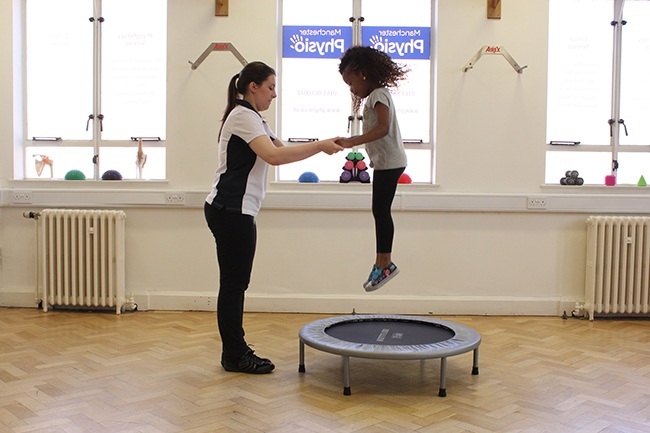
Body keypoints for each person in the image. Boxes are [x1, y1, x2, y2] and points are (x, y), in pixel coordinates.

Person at [204, 61, 343, 374]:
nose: (274, 94)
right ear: (253, 86)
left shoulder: (254, 118)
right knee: (234, 285)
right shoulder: (243, 116)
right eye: (271, 87)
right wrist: (320, 146)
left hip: (236, 209)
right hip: (230, 209)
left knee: (236, 283)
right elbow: (274, 157)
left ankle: (235, 352)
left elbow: (281, 149)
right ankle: (235, 355)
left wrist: (323, 145)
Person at [336, 46, 408, 292]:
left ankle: (385, 264)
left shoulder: (378, 95)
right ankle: (382, 263)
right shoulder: (376, 95)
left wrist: (351, 141)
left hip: (391, 162)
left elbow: (383, 128)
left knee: (380, 211)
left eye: (351, 82)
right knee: (380, 210)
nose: (351, 89)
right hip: (387, 162)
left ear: (363, 73)